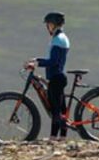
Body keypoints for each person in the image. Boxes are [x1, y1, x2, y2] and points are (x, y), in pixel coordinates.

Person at [26, 12, 70, 140]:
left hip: (56, 78)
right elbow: (52, 59)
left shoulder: (58, 39)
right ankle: (60, 137)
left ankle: (54, 137)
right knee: (60, 109)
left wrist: (38, 63)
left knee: (55, 109)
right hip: (59, 77)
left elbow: (53, 61)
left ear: (52, 24)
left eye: (48, 24)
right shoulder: (60, 38)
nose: (47, 27)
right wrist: (36, 59)